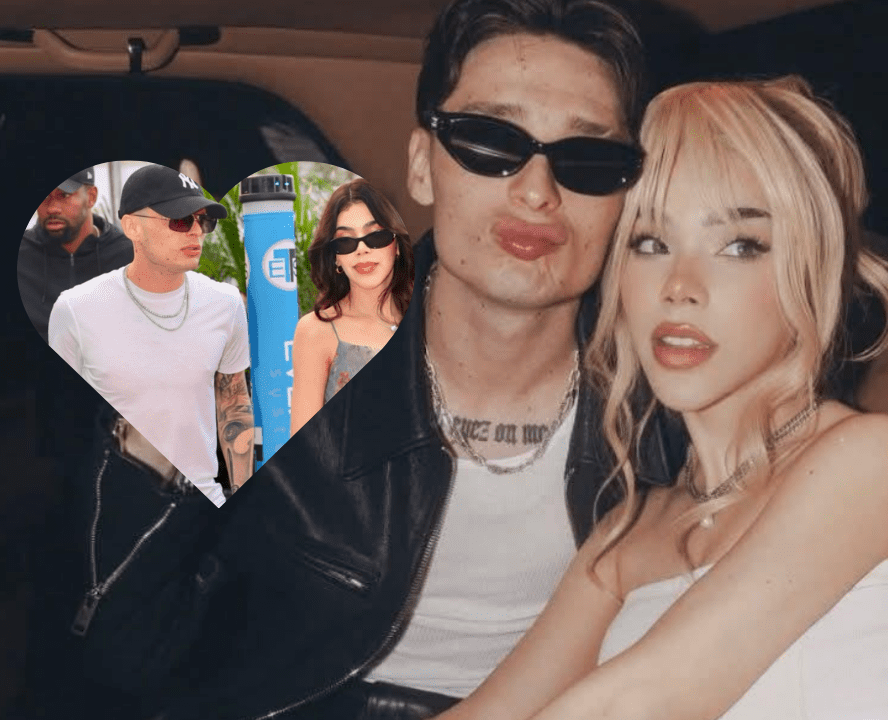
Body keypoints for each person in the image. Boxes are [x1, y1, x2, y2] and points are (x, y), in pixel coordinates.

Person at [40, 2, 683, 719]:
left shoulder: (675, 399)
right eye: (488, 140)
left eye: (588, 158)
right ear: (422, 166)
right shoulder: (284, 363)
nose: (538, 191)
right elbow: (126, 654)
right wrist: (163, 413)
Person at [429, 76, 888, 720]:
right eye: (650, 243)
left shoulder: (870, 459)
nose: (679, 286)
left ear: (808, 268)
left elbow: (641, 702)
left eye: (740, 246)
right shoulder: (623, 538)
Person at [46, 163, 253, 507]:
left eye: (203, 221)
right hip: (112, 505)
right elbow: (64, 423)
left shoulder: (225, 303)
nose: (196, 232)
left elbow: (234, 404)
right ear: (133, 227)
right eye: (180, 221)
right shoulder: (76, 309)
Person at [289, 178, 413, 434]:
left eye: (375, 236)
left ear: (397, 245)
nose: (362, 250)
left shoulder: (431, 321)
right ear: (336, 257)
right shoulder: (316, 331)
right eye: (346, 241)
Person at [18, 167, 133, 342]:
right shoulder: (20, 256)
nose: (52, 208)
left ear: (91, 197)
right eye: (45, 196)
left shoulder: (129, 256)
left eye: (64, 195)